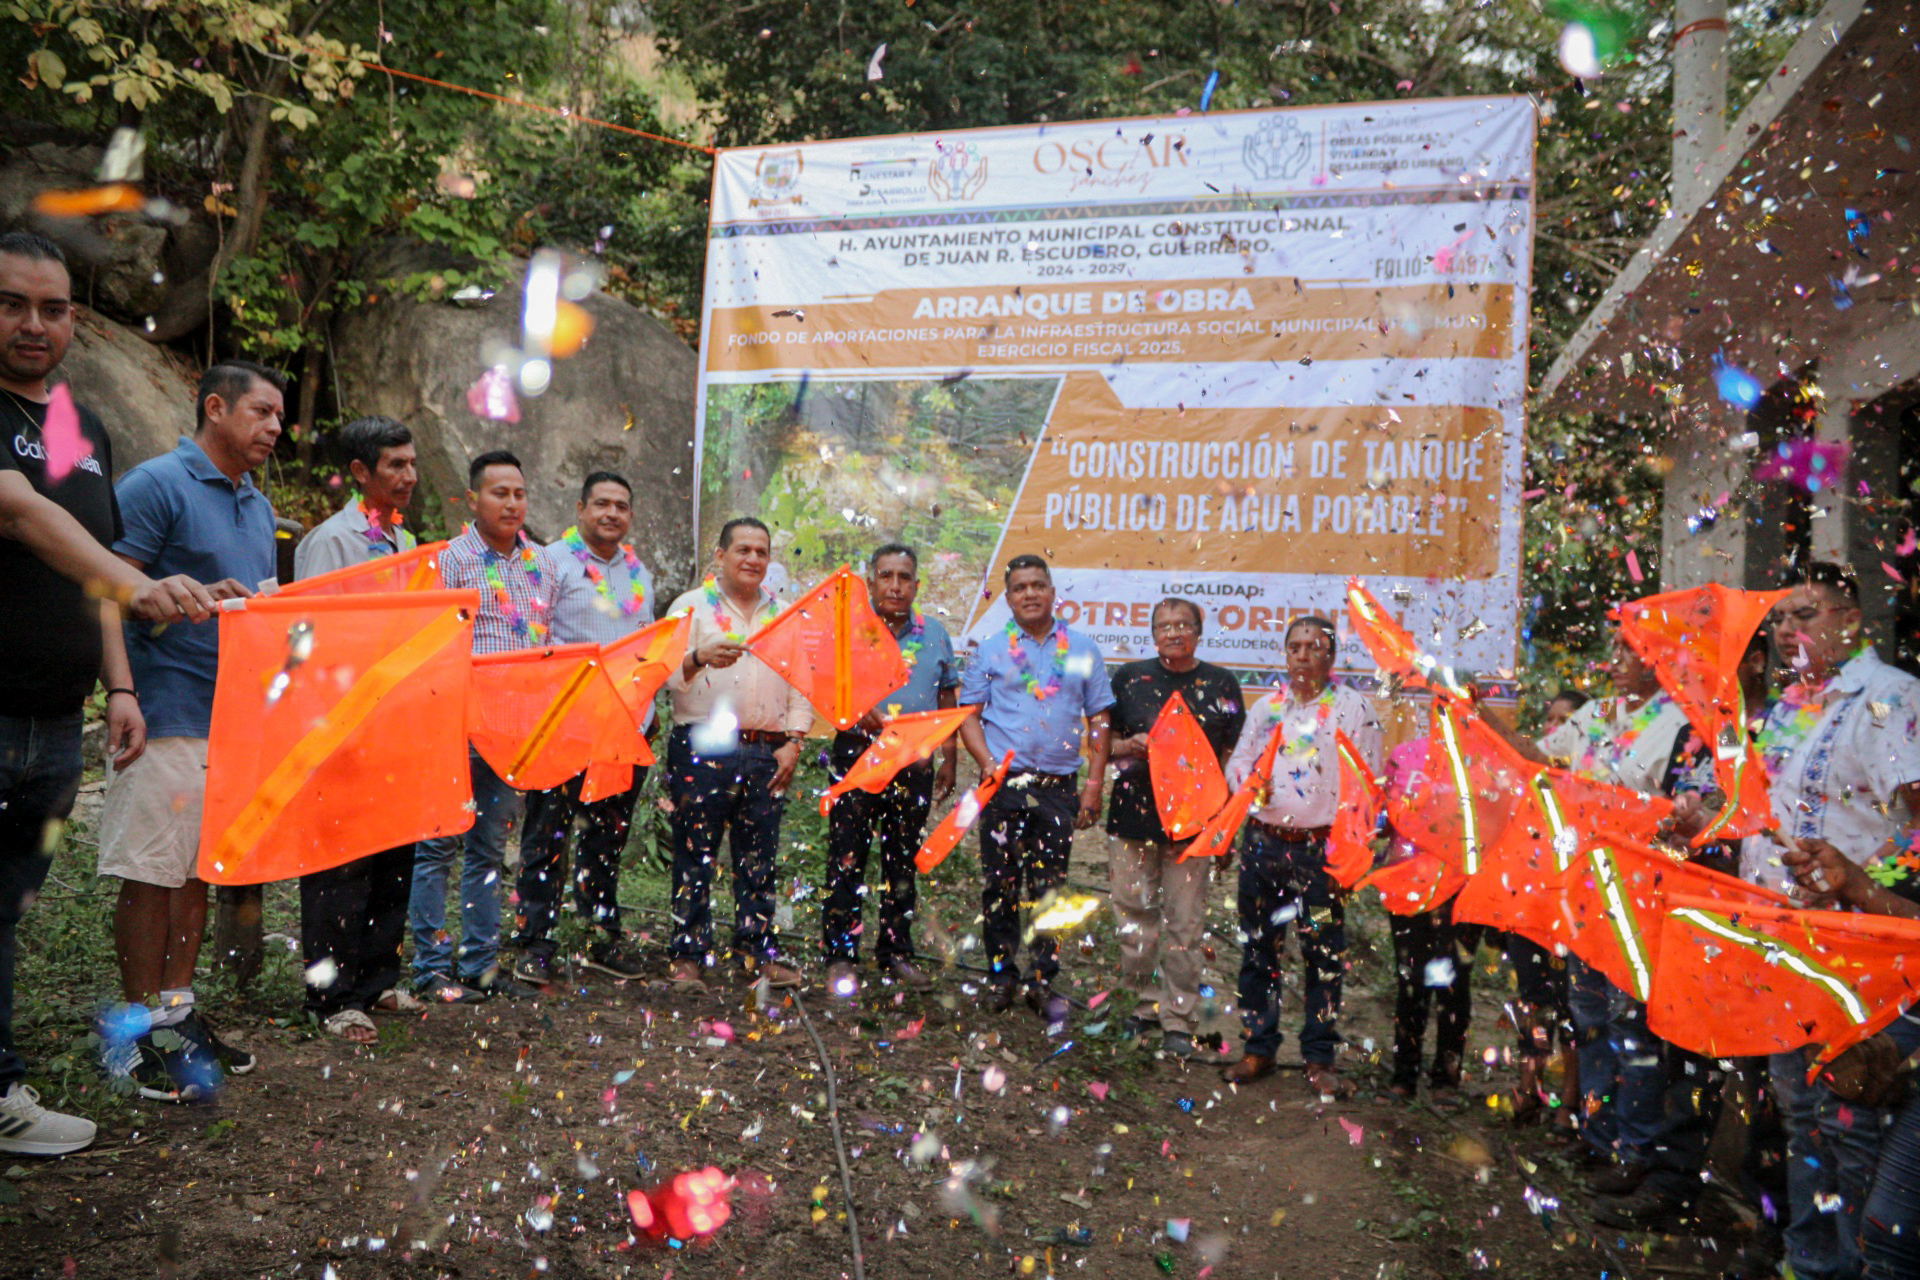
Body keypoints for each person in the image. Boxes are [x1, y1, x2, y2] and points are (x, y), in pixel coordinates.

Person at [0, 232, 224, 1153]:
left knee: (8, 908)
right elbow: (20, 511)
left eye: (53, 309)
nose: (34, 324)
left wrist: (120, 685)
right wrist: (139, 587)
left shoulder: (76, 426)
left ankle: (3, 1089)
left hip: (55, 717)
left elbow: (92, 563)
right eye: (12, 304)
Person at [101, 358, 282, 1100]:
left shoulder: (259, 506)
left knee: (195, 872)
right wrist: (121, 692)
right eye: (262, 412)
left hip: (231, 717)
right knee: (151, 874)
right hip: (164, 708)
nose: (275, 427)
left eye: (279, 416)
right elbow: (106, 589)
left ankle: (176, 1016)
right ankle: (133, 1035)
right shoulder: (156, 484)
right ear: (215, 408)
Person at [1737, 563, 1920, 1279]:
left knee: (1850, 1123)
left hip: (1862, 951)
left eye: (1805, 615)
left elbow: (1917, 828)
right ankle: (1807, 1261)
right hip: (1787, 943)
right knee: (1801, 1116)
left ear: (1851, 620)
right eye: (1780, 619)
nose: (1787, 631)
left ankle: (1850, 1266)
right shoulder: (1791, 707)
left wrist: (1860, 883)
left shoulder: (1891, 698)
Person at [1557, 631, 1723, 1228]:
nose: (1620, 660)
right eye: (1616, 648)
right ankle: (1599, 1136)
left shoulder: (1681, 724)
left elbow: (1690, 813)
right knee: (1590, 1017)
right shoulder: (1595, 715)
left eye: (1633, 649)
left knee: (1633, 1026)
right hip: (1587, 887)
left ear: (1661, 659)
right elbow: (1545, 762)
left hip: (1643, 897)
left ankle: (1636, 1150)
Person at [409, 450, 560, 1003]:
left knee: (490, 851)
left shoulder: (542, 563)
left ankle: (479, 965)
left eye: (519, 493)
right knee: (437, 849)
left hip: (510, 731)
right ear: (473, 499)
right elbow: (431, 645)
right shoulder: (450, 562)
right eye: (500, 493)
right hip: (455, 727)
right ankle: (430, 970)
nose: (512, 503)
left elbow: (543, 642)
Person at [291, 416, 423, 1042]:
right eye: (395, 465)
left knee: (394, 856)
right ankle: (331, 997)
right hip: (341, 723)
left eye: (412, 463)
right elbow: (308, 637)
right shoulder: (331, 542)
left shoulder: (406, 542)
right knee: (338, 865)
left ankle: (375, 980)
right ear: (361, 472)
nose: (409, 476)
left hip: (398, 723)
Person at [1221, 616, 1381, 1097]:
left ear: (1331, 655)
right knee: (1258, 949)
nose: (1304, 655)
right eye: (1295, 647)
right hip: (1264, 846)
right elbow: (1239, 762)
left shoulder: (1354, 709)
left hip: (1321, 855)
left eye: (1315, 647)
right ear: (1285, 654)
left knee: (1323, 952)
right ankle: (1259, 1047)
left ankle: (1319, 1057)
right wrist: (1249, 785)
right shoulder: (1267, 707)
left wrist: (1349, 858)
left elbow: (1368, 784)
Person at [957, 554, 1113, 1031]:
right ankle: (1001, 975)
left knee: (1050, 888)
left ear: (1052, 592)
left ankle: (1043, 978)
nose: (1030, 594)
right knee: (999, 884)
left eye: (1037, 585)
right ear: (1008, 598)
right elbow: (968, 716)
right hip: (1005, 786)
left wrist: (1093, 784)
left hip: (1058, 789)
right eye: (1020, 587)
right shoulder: (990, 650)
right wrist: (987, 764)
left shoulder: (1082, 649)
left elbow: (1099, 719)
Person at [513, 471, 655, 985]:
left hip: (622, 729)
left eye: (621, 505)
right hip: (565, 727)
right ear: (580, 509)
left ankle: (600, 938)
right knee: (546, 836)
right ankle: (535, 942)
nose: (611, 513)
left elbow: (646, 644)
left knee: (607, 837)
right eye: (601, 503)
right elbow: (533, 638)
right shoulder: (550, 562)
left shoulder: (639, 572)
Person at [662, 517, 813, 993]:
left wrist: (794, 742)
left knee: (759, 857)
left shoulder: (784, 615)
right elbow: (662, 674)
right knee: (694, 853)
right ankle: (688, 954)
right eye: (743, 549)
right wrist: (699, 657)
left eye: (761, 552)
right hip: (702, 747)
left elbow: (802, 682)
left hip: (766, 748)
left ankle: (757, 953)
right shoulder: (690, 607)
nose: (752, 559)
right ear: (720, 555)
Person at [1103, 598, 1244, 1059]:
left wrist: (1224, 824)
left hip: (1195, 825)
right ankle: (1140, 1004)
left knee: (1185, 922)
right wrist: (1131, 744)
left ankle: (1178, 1016)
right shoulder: (1128, 678)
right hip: (1134, 817)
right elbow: (1105, 744)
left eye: (1183, 625)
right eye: (1164, 626)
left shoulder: (1221, 683)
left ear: (1199, 633)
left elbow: (1232, 759)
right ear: (1153, 634)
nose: (1174, 632)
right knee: (1134, 915)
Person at [1778, 839, 1920, 1280]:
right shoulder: (1905, 836)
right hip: (1883, 1021)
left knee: (1889, 1232)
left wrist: (1859, 888)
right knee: (1878, 1223)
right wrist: (1850, 889)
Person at [821, 543, 959, 997]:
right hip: (856, 756)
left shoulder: (936, 634)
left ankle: (896, 951)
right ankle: (840, 955)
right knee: (847, 856)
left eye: (904, 578)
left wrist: (949, 756)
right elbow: (827, 688)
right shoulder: (849, 631)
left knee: (901, 859)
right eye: (886, 576)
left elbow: (946, 698)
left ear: (916, 585)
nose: (895, 586)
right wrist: (852, 710)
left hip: (914, 760)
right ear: (871, 582)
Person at [1380, 717, 1481, 1104]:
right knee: (1410, 978)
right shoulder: (1405, 755)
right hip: (1408, 886)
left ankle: (1445, 1079)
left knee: (1454, 983)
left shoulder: (1485, 761)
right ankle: (1404, 1075)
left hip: (1461, 889)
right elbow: (1384, 817)